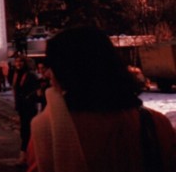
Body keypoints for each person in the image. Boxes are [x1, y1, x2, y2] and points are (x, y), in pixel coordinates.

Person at [27, 26, 176, 172]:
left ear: (67, 71)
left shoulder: (47, 132)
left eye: (52, 66)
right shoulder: (156, 124)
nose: (47, 74)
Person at [12, 54, 39, 164]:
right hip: (22, 107)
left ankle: (27, 155)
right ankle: (26, 155)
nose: (18, 63)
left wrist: (28, 98)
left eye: (21, 61)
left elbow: (35, 90)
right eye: (17, 61)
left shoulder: (30, 75)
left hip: (29, 107)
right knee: (24, 131)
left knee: (27, 131)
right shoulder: (17, 74)